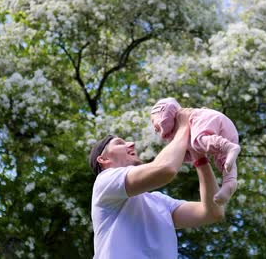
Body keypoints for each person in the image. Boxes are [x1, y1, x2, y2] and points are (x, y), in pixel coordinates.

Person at [89, 110, 225, 259]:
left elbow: (213, 212)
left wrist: (199, 157)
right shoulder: (104, 182)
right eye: (120, 143)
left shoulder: (160, 201)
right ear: (103, 159)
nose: (132, 144)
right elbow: (165, 169)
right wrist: (184, 126)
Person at [150, 97, 240, 206]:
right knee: (225, 162)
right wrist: (177, 157)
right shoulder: (180, 133)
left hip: (207, 119)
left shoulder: (180, 116)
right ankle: (229, 183)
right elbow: (186, 154)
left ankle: (228, 147)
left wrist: (163, 132)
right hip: (225, 125)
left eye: (154, 123)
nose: (157, 130)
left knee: (198, 140)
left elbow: (165, 115)